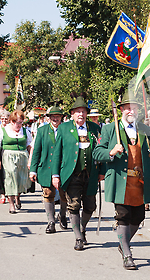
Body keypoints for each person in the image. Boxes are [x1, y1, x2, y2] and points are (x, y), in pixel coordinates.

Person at [93, 93, 150, 270]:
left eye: (134, 107)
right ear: (121, 109)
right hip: (120, 181)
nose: (131, 110)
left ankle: (123, 244)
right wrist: (111, 151)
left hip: (140, 182)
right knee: (123, 215)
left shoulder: (145, 130)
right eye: (128, 107)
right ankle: (128, 254)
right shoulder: (109, 129)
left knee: (138, 217)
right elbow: (96, 152)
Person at [52, 94, 104, 251]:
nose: (81, 114)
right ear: (72, 114)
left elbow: (101, 150)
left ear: (86, 114)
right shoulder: (63, 128)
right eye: (77, 111)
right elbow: (57, 153)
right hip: (72, 174)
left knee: (90, 206)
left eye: (83, 111)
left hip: (91, 174)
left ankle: (82, 227)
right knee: (73, 205)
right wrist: (55, 175)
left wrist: (102, 171)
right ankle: (78, 238)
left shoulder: (95, 128)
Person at [29, 104, 68, 233]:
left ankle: (62, 215)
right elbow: (36, 152)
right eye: (53, 116)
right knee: (48, 193)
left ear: (61, 117)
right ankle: (51, 221)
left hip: (63, 168)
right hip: (45, 167)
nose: (55, 119)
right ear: (49, 118)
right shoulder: (42, 131)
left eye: (57, 116)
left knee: (64, 194)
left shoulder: (67, 130)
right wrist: (33, 170)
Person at [0, 110, 32, 213]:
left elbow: (30, 146)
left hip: (23, 156)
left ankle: (18, 196)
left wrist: (30, 160)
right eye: (16, 122)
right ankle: (11, 204)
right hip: (8, 156)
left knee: (20, 179)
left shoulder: (25, 131)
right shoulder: (3, 130)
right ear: (11, 121)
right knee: (10, 177)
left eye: (20, 122)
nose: (18, 125)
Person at [0, 109, 9, 204]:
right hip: (1, 152)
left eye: (6, 119)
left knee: (9, 173)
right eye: (2, 118)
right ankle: (2, 194)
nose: (4, 120)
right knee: (1, 173)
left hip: (9, 152)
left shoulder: (11, 128)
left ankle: (10, 193)